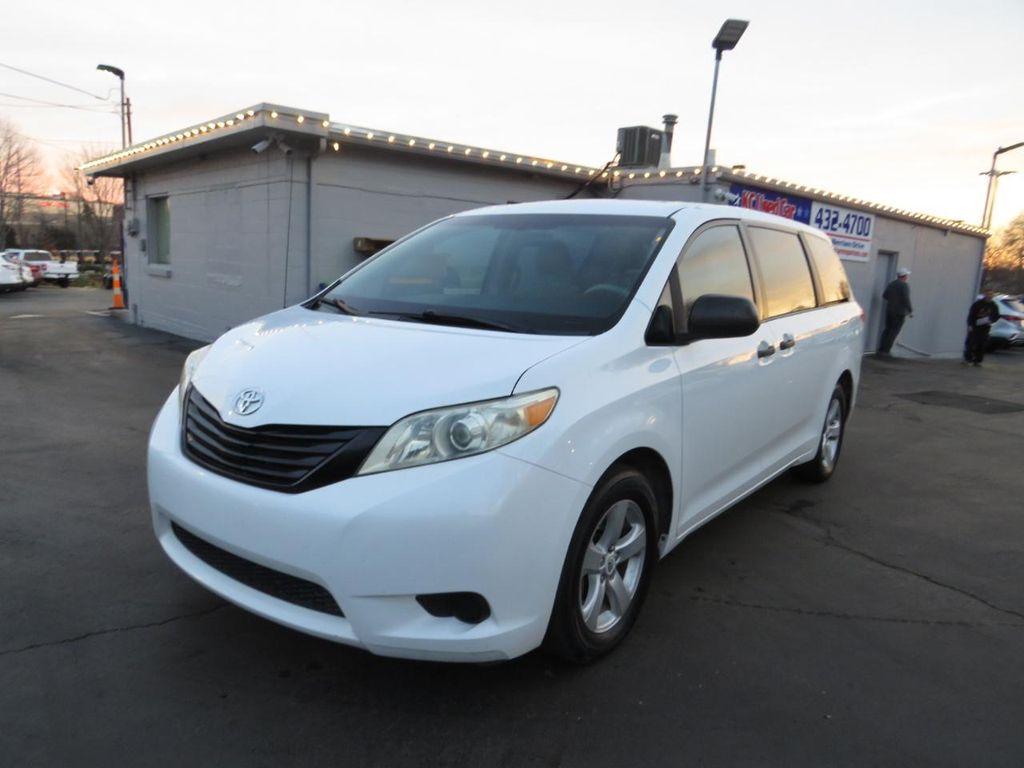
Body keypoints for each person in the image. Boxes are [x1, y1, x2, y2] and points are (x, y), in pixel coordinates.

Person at [878, 267, 913, 357]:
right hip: (899, 312)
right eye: (906, 275)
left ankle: (881, 350)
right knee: (894, 332)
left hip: (889, 311)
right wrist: (910, 309)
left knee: (887, 330)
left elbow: (885, 295)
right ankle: (886, 351)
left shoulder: (892, 284)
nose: (907, 277)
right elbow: (906, 298)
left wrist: (893, 300)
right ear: (904, 276)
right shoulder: (904, 285)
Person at [963, 290, 1000, 366]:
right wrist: (970, 325)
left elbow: (996, 316)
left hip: (985, 327)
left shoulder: (994, 305)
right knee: (970, 343)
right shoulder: (977, 304)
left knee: (981, 344)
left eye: (991, 295)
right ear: (985, 295)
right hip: (975, 326)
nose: (989, 296)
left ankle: (977, 360)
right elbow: (971, 315)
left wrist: (991, 320)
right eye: (988, 294)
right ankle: (968, 359)